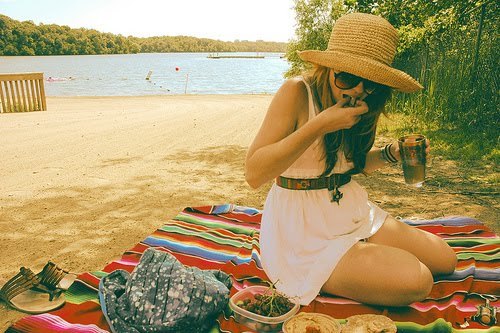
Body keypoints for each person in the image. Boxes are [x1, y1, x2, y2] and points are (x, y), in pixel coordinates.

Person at [245, 12, 457, 306]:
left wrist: (390, 154)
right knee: (418, 279)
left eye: (369, 84)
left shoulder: (360, 102)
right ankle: (334, 266)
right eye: (347, 77)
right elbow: (254, 172)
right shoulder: (296, 91)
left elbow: (349, 165)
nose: (358, 90)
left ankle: (357, 253)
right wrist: (320, 124)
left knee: (446, 259)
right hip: (304, 227)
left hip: (348, 208)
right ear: (329, 68)